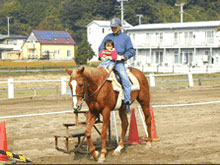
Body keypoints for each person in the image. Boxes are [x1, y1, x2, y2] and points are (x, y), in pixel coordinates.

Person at [98, 17, 135, 113]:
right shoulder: (107, 37)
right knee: (96, 75)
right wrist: (101, 56)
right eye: (112, 27)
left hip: (118, 62)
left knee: (125, 79)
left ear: (120, 27)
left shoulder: (126, 38)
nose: (113, 29)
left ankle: (127, 102)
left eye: (115, 27)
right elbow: (100, 48)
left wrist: (123, 57)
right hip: (106, 61)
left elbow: (131, 50)